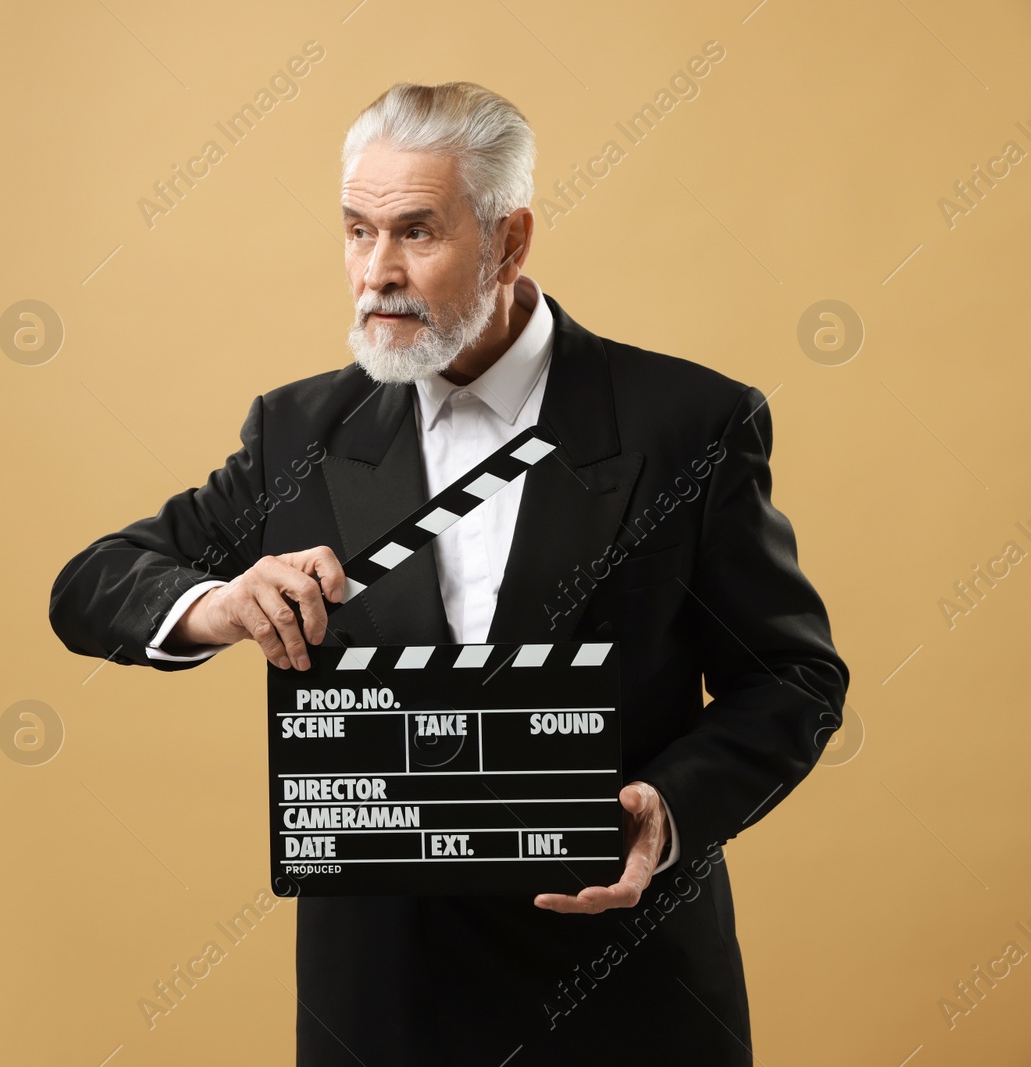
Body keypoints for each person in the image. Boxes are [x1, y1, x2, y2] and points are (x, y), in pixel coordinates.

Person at [48, 81, 849, 1065]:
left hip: (622, 987)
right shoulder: (301, 432)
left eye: (415, 233)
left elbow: (792, 678)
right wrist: (218, 604)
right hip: (382, 1001)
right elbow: (93, 582)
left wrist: (669, 807)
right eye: (354, 231)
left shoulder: (684, 422)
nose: (374, 271)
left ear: (510, 241)